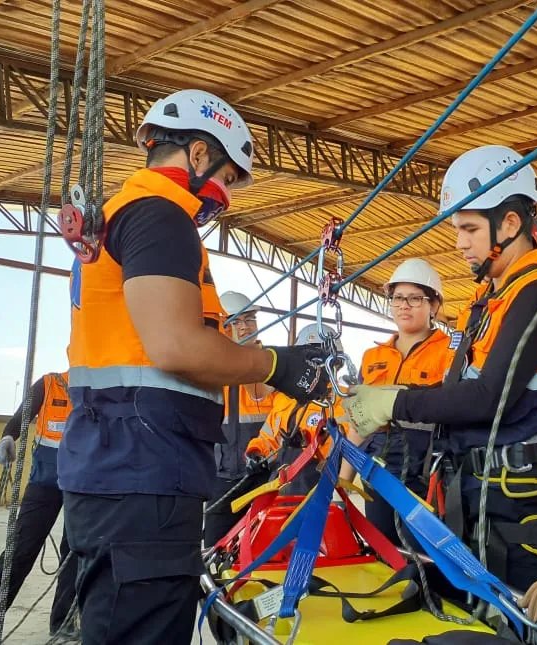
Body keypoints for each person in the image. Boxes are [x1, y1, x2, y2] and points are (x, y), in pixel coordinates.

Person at [59, 88, 328, 644]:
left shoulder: (122, 218)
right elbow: (177, 347)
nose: (224, 197)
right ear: (199, 155)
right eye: (228, 178)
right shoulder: (159, 217)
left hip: (124, 469)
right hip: (142, 476)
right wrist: (275, 363)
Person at [344, 144, 537, 600]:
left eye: (470, 228)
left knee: (519, 623)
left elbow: (490, 397)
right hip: (478, 493)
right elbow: (458, 392)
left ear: (510, 224)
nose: (459, 243)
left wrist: (394, 401)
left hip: (522, 505)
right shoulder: (490, 301)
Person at [0, 372, 79, 645]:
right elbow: (22, 416)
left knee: (76, 553)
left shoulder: (100, 388)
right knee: (19, 551)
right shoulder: (50, 383)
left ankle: (64, 623)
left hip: (85, 484)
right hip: (46, 482)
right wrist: (7, 436)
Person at [339, 258, 454, 544]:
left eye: (415, 298)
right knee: (384, 551)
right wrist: (341, 484)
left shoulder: (449, 354)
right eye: (398, 298)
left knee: (426, 558)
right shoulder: (373, 357)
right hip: (377, 472)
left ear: (434, 305)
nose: (404, 305)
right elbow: (359, 423)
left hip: (427, 473)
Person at [203, 291, 277, 547]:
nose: (244, 326)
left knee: (261, 550)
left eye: (249, 319)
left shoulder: (271, 364)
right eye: (235, 321)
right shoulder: (208, 368)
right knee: (214, 548)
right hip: (221, 478)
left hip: (264, 477)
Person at [245, 323, 347, 496]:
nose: (316, 365)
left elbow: (345, 449)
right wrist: (255, 453)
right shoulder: (284, 398)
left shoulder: (341, 400)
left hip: (320, 490)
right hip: (281, 486)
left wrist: (306, 448)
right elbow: (268, 437)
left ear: (335, 362)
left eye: (321, 358)